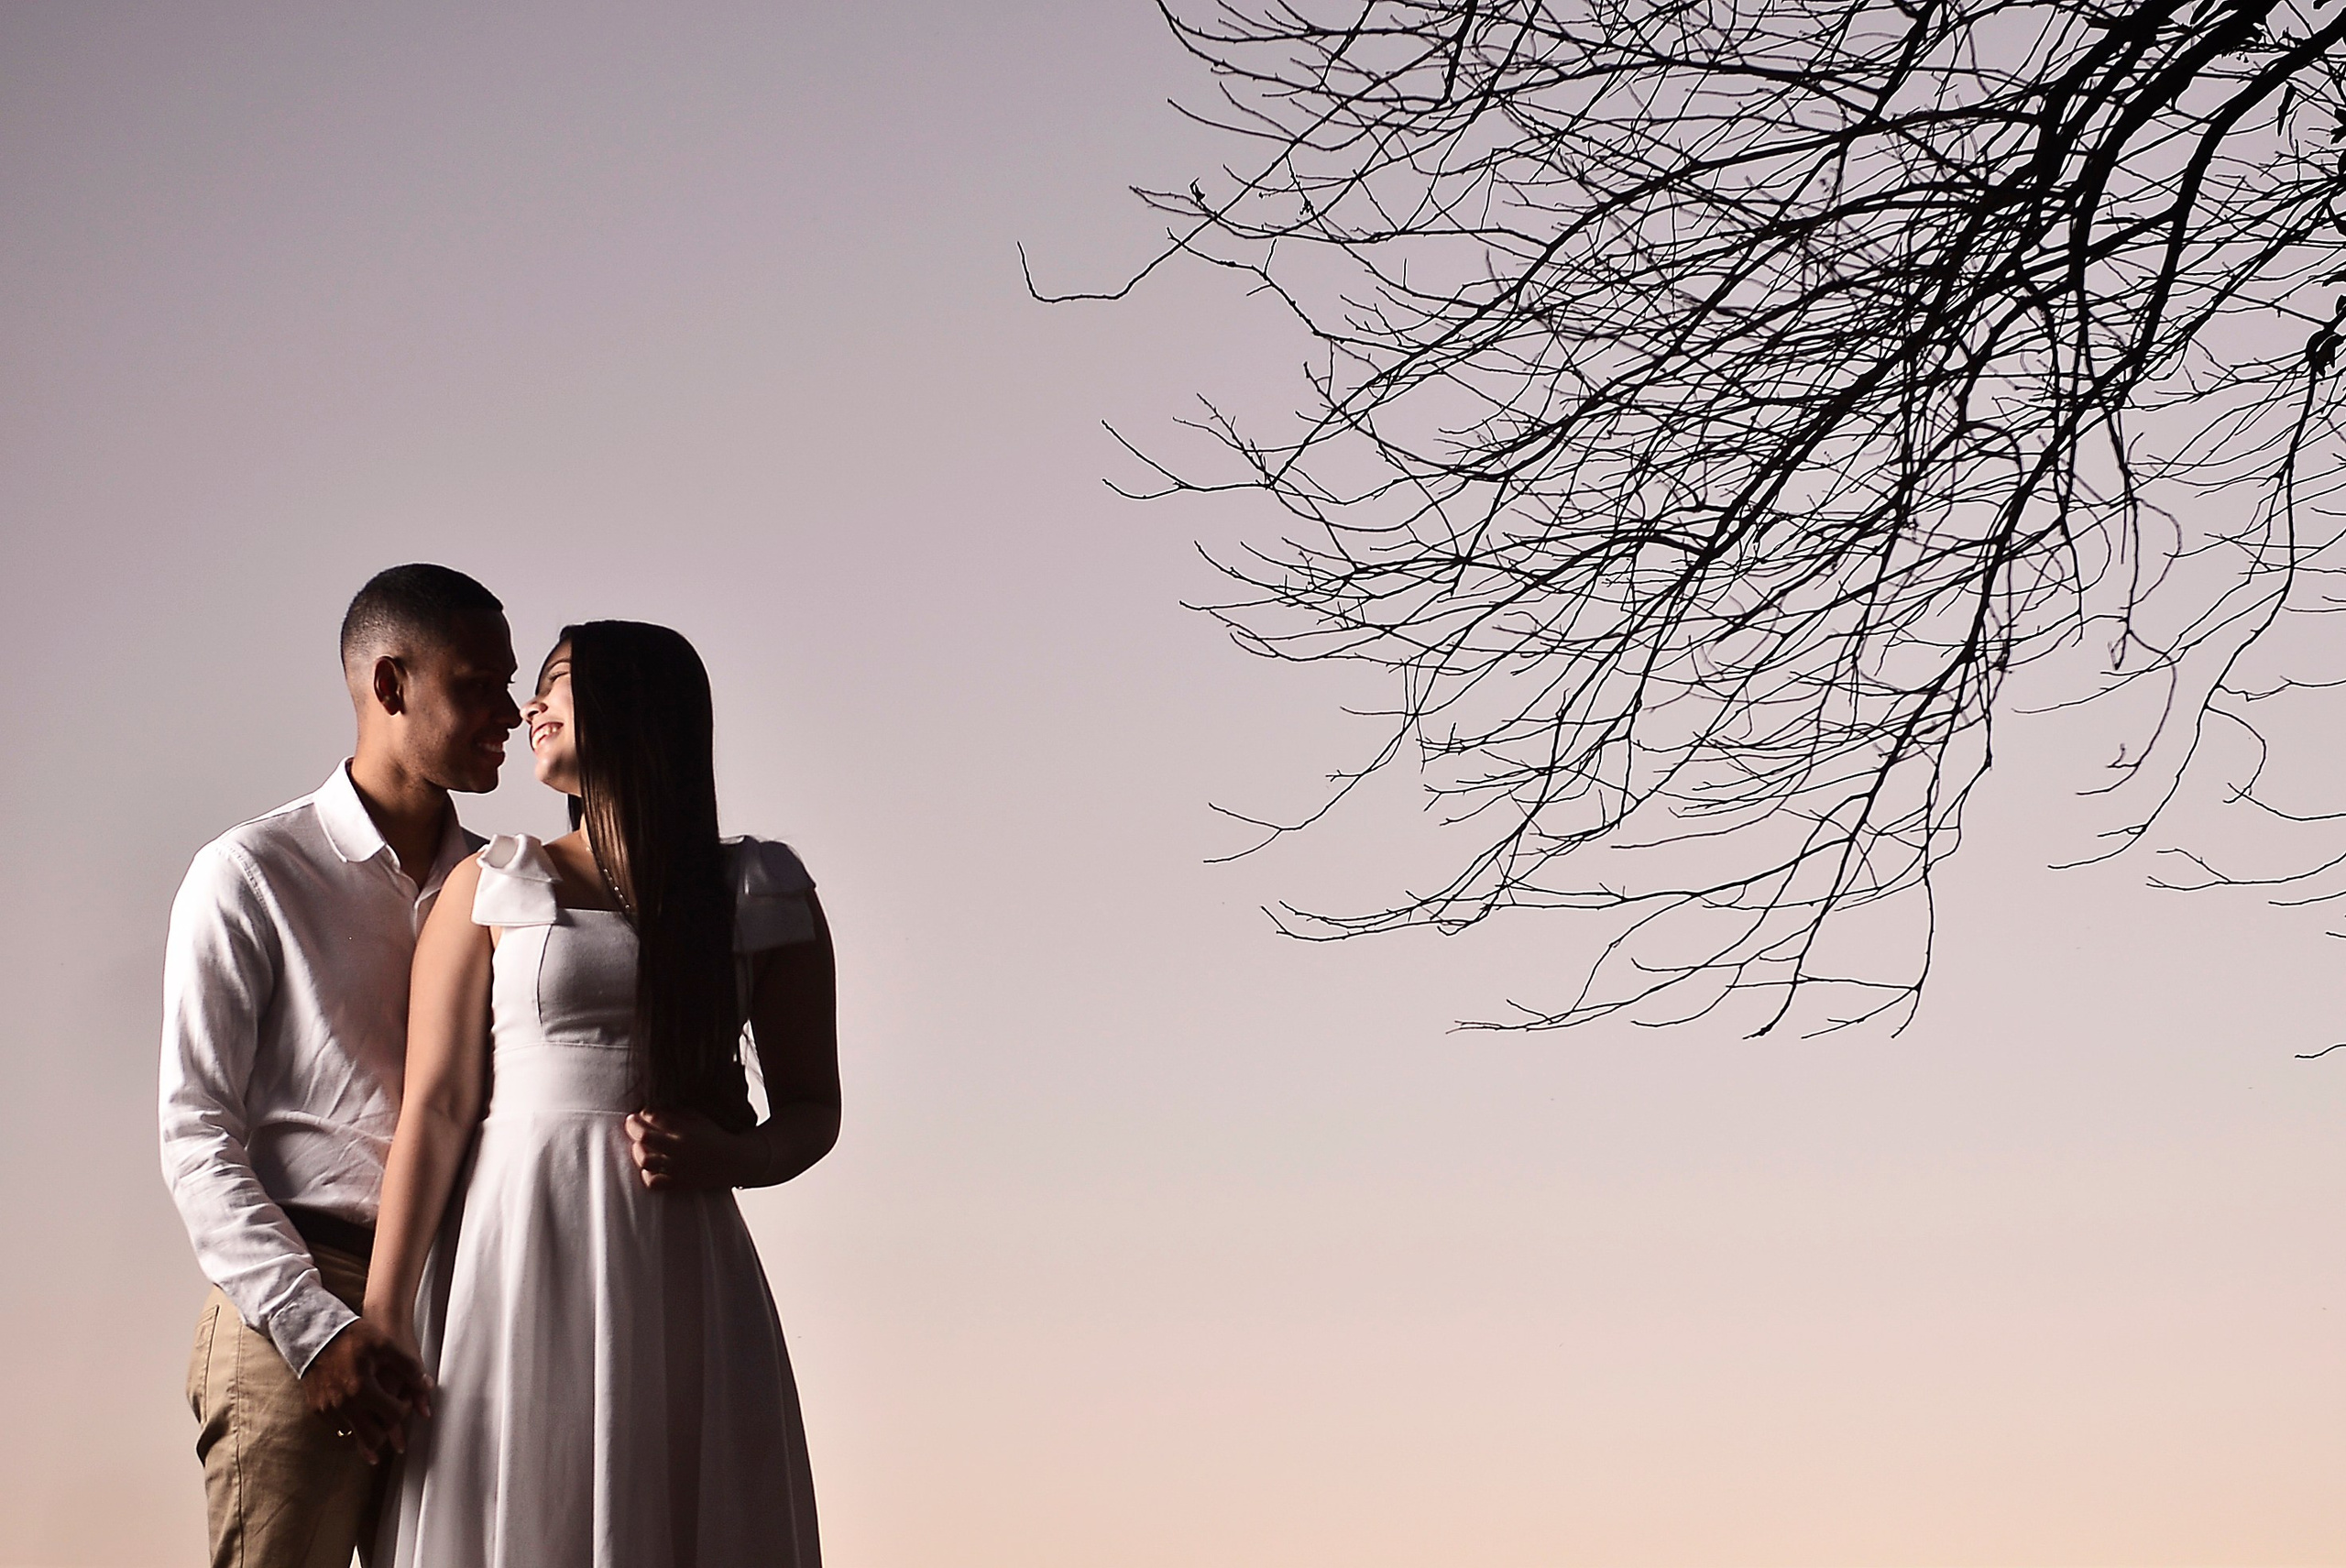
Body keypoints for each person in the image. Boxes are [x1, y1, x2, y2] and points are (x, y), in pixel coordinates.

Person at [365, 620, 839, 1568]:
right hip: (516, 1249)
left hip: (680, 1260)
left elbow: (813, 1107)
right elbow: (438, 1106)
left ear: (638, 703)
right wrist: (384, 1312)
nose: (531, 706)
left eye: (558, 681)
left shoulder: (759, 887)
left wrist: (733, 1156)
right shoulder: (491, 883)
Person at [161, 564, 521, 1568]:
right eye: (477, 684)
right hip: (299, 1298)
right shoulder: (250, 874)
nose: (510, 713)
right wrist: (315, 1329)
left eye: (513, 681)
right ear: (392, 684)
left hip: (468, 1301)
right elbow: (196, 1138)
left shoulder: (504, 888)